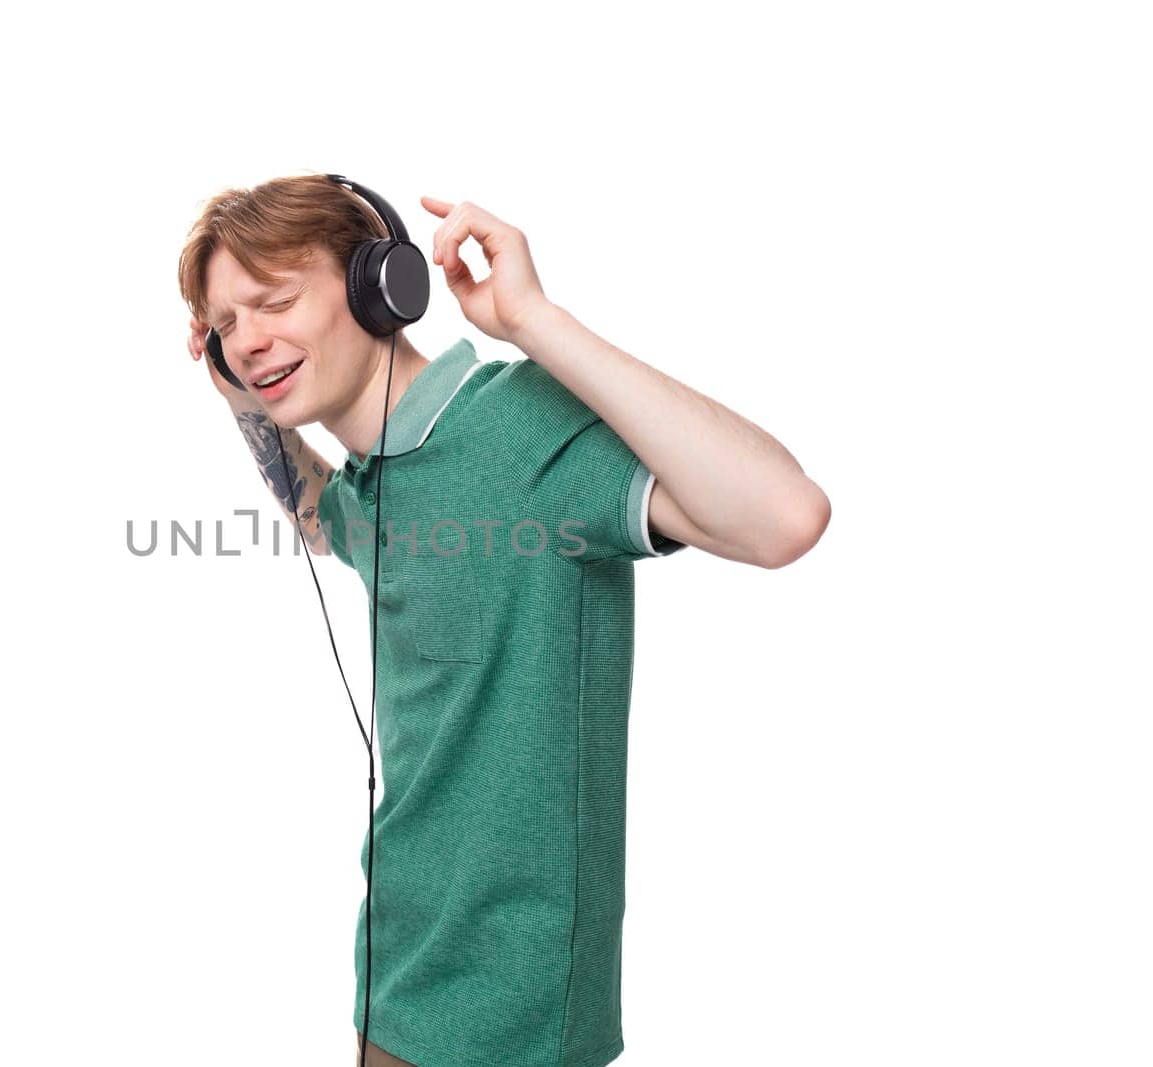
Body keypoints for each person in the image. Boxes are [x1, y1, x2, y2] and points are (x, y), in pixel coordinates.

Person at [177, 174, 830, 1067]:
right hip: (393, 980)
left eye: (272, 301)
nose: (245, 340)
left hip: (511, 1023)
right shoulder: (376, 482)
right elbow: (319, 516)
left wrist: (532, 320)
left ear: (381, 284)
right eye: (224, 326)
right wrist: (244, 408)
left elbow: (785, 516)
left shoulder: (519, 426)